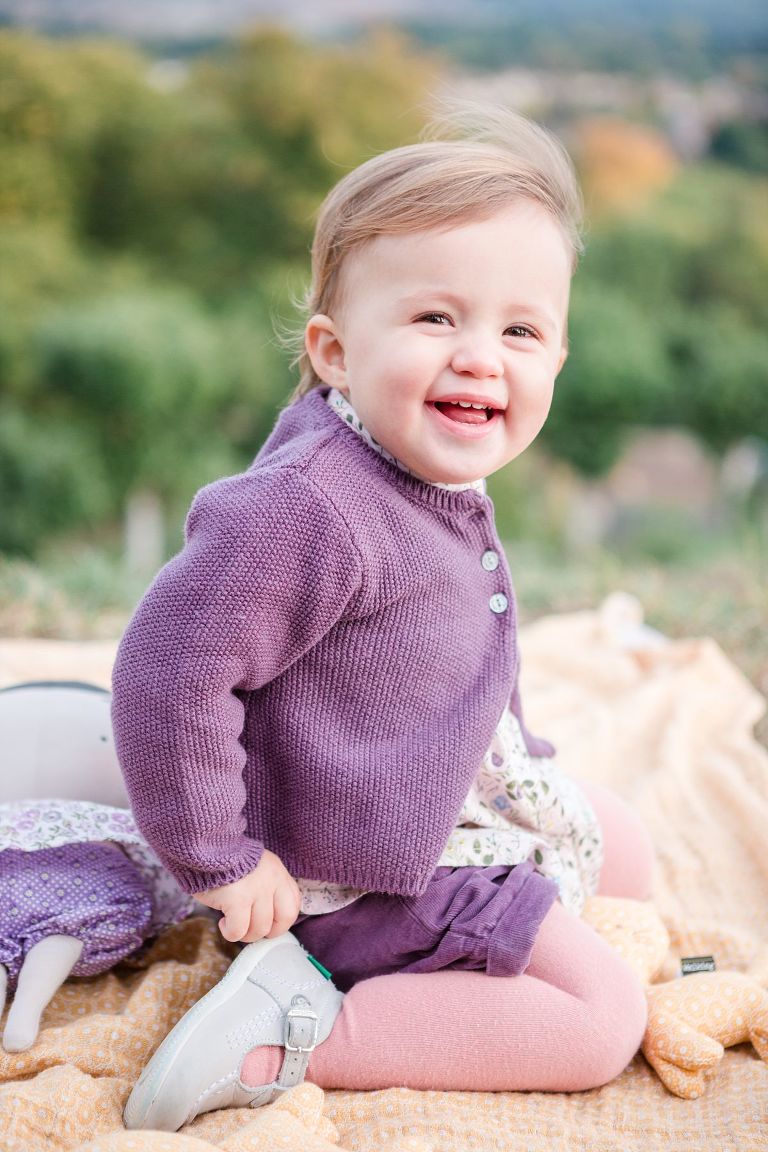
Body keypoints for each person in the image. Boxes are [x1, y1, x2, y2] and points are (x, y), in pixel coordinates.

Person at [112, 104, 655, 1133]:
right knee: (600, 1018)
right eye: (435, 318)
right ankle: (298, 1027)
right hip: (351, 875)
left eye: (520, 329)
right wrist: (222, 861)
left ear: (559, 357)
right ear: (333, 350)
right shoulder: (307, 508)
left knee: (622, 848)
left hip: (427, 800)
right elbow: (168, 671)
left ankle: (474, 917)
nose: (481, 357)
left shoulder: (411, 462)